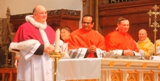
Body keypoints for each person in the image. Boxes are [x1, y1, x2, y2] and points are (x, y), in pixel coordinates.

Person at [9, 5, 55, 81]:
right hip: (31, 64)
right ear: (35, 15)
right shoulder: (25, 27)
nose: (44, 15)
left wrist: (53, 47)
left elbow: (54, 43)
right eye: (41, 13)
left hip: (47, 63)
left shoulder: (49, 29)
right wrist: (43, 48)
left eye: (45, 13)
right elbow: (24, 46)